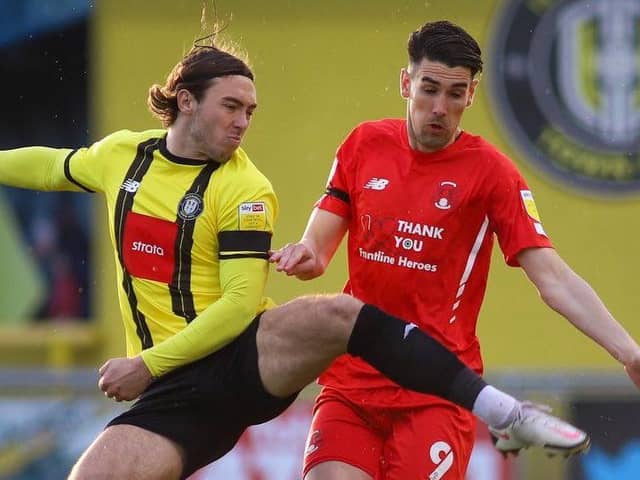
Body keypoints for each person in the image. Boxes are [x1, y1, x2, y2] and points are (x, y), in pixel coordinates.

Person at [0, 35, 593, 480]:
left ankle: (504, 411)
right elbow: (52, 165)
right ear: (185, 100)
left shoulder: (245, 188)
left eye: (251, 111)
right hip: (174, 399)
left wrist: (147, 364)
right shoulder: (121, 157)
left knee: (337, 315)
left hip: (239, 359)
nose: (243, 123)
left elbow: (237, 306)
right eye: (232, 107)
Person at [270, 20, 640, 480]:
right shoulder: (364, 144)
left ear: (472, 94)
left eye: (455, 93)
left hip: (437, 392)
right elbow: (318, 252)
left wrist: (628, 352)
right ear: (406, 83)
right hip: (352, 382)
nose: (440, 108)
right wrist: (302, 254)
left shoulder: (491, 174)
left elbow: (553, 278)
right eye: (429, 89)